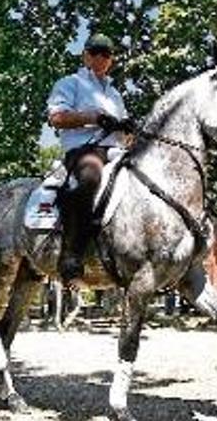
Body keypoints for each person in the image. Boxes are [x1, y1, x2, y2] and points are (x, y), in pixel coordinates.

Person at [46, 33, 134, 284]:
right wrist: (93, 117)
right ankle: (72, 253)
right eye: (95, 52)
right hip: (84, 151)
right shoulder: (69, 83)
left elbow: (124, 136)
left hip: (116, 152)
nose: (100, 57)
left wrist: (128, 131)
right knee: (90, 176)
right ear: (85, 55)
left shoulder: (115, 94)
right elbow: (57, 118)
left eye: (106, 54)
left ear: (111, 60)